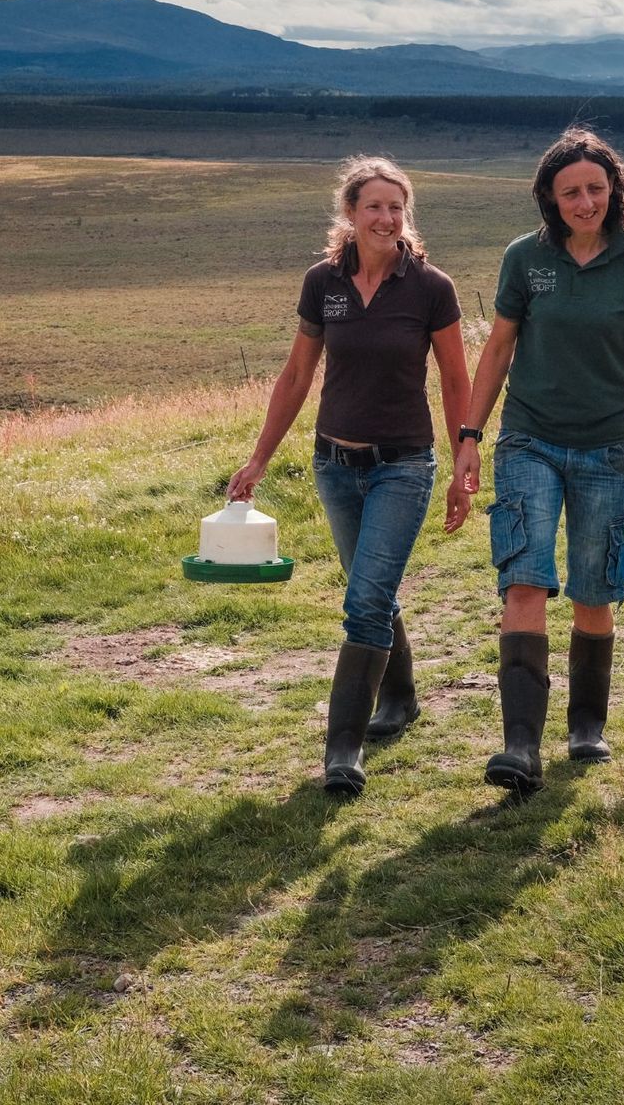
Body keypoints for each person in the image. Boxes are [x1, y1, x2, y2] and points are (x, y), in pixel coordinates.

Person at [453, 127, 624, 794]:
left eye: (596, 188)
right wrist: (469, 435)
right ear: (549, 198)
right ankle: (519, 748)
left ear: (614, 190)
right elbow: (499, 348)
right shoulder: (523, 260)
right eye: (571, 192)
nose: (586, 201)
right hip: (529, 439)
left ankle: (587, 725)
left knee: (595, 589)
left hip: (610, 448)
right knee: (525, 578)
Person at [229, 157, 472, 797]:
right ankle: (402, 698)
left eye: (397, 207)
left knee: (362, 601)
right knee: (374, 590)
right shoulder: (323, 283)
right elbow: (295, 377)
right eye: (374, 207)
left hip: (403, 465)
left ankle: (343, 749)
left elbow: (454, 379)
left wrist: (463, 461)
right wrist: (258, 459)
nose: (387, 218)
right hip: (333, 465)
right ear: (350, 213)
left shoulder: (431, 288)